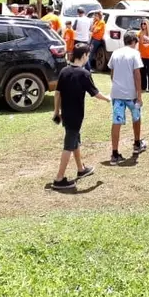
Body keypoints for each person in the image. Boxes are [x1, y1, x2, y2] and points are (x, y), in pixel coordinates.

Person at [51, 43, 111, 190]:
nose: (88, 58)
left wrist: (56, 112)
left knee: (75, 140)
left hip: (66, 114)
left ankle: (81, 169)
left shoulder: (64, 71)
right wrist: (108, 98)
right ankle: (59, 179)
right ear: (84, 55)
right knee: (69, 145)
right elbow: (95, 93)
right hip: (76, 115)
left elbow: (57, 93)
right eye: (88, 55)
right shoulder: (84, 74)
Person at [108, 32, 146, 165]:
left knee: (116, 122)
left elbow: (112, 74)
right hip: (131, 95)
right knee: (136, 117)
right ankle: (137, 143)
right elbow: (137, 75)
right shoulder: (135, 54)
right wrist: (139, 95)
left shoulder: (115, 53)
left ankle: (114, 152)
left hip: (117, 94)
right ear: (134, 42)